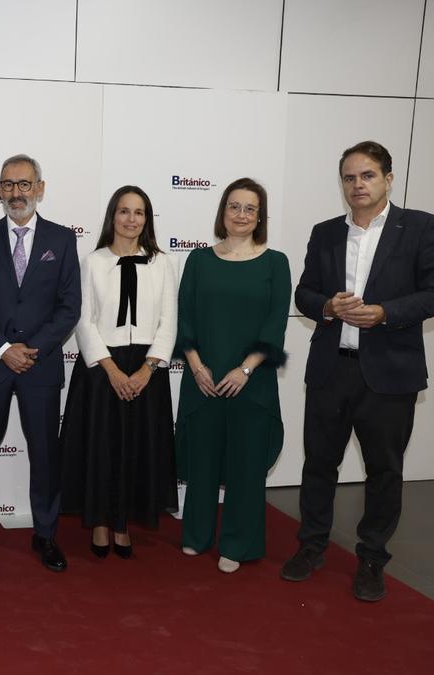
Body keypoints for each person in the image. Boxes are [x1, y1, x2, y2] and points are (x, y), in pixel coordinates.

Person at [282, 141, 434, 601]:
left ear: (388, 178)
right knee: (319, 466)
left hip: (389, 376)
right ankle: (311, 547)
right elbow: (303, 293)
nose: (357, 185)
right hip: (330, 371)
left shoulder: (418, 228)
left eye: (367, 176)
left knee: (384, 471)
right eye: (349, 177)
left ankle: (372, 558)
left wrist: (386, 312)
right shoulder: (324, 233)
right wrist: (326, 305)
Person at [0, 154, 80, 572]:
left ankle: (46, 533)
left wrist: (32, 349)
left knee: (45, 453)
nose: (16, 193)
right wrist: (2, 349)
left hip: (41, 365)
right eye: (9, 184)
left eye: (24, 184)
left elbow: (69, 308)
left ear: (40, 189)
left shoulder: (63, 240)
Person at [175, 177, 291, 574]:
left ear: (260, 217)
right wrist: (195, 365)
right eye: (234, 206)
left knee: (245, 465)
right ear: (222, 211)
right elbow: (184, 316)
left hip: (251, 382)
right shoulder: (198, 260)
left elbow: (275, 325)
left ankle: (238, 544)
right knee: (202, 459)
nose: (241, 215)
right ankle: (196, 535)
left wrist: (245, 369)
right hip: (202, 379)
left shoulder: (276, 262)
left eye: (250, 209)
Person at [59, 186, 178, 559]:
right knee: (100, 448)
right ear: (113, 216)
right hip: (101, 369)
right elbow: (84, 319)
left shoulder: (163, 263)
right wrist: (110, 369)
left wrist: (147, 369)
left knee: (136, 449)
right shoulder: (93, 261)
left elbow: (169, 322)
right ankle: (98, 522)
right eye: (124, 211)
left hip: (148, 370)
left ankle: (124, 522)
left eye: (139, 212)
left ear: (147, 219)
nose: (131, 219)